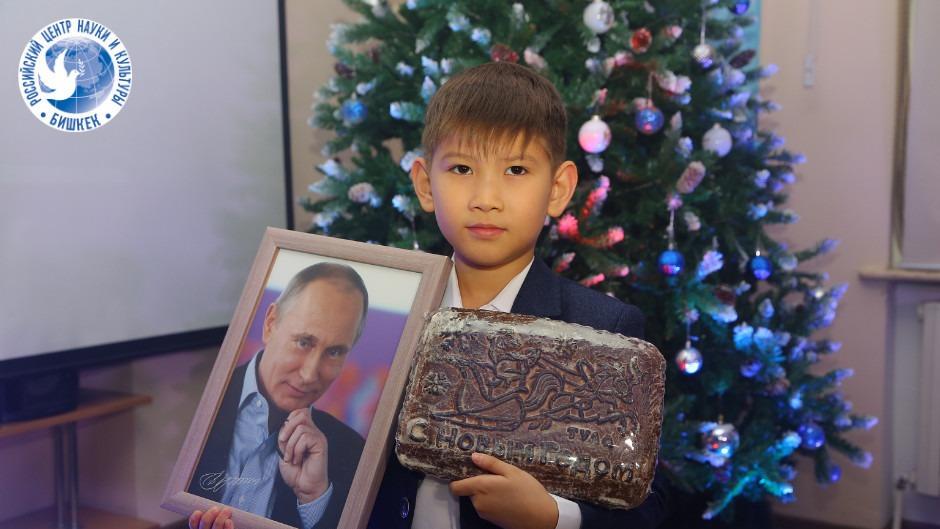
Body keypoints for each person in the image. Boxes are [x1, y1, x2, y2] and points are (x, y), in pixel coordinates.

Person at [366, 61, 670, 529]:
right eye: (462, 168)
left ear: (558, 188)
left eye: (516, 169)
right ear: (426, 184)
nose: (486, 197)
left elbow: (646, 506)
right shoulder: (387, 313)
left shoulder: (605, 328)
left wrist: (553, 516)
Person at [188, 263, 368, 529]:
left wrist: (313, 499)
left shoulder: (352, 452)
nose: (309, 374)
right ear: (271, 324)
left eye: (334, 352)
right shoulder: (196, 402)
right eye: (304, 342)